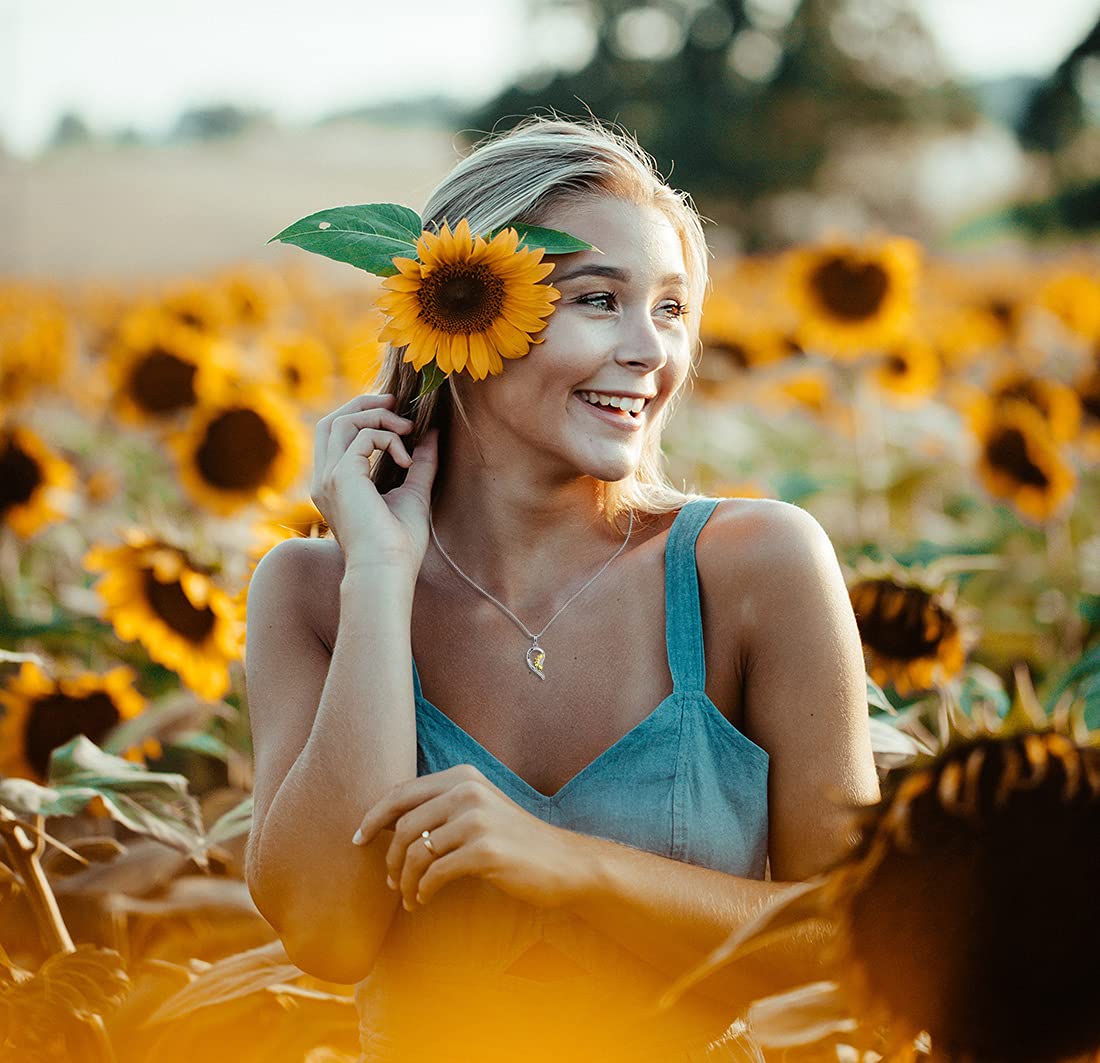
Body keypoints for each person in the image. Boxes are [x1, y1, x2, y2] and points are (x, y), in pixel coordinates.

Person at [243, 114, 881, 1063]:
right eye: (598, 299)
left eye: (670, 309)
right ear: (462, 312)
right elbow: (327, 933)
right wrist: (379, 578)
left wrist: (572, 866)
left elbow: (846, 935)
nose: (650, 352)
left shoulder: (751, 566)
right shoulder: (310, 590)